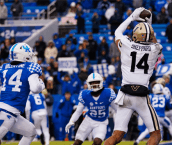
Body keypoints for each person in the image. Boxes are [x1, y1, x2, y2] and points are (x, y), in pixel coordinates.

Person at [104, 8, 162, 145]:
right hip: (141, 96)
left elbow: (117, 32)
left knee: (116, 136)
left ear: (135, 34)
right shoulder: (155, 49)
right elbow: (153, 40)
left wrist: (131, 17)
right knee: (156, 135)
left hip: (125, 95)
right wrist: (149, 24)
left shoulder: (126, 45)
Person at [0, 42, 45, 145]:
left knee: (31, 132)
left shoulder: (5, 68)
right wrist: (42, 84)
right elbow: (35, 89)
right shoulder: (30, 68)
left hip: (10, 113)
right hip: (5, 115)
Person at [65, 73, 117, 145]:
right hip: (88, 120)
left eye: (96, 82)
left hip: (101, 122)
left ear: (101, 82)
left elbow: (117, 109)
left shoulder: (108, 93)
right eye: (92, 82)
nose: (94, 84)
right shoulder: (84, 94)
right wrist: (71, 121)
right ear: (88, 84)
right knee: (77, 142)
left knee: (97, 142)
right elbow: (78, 111)